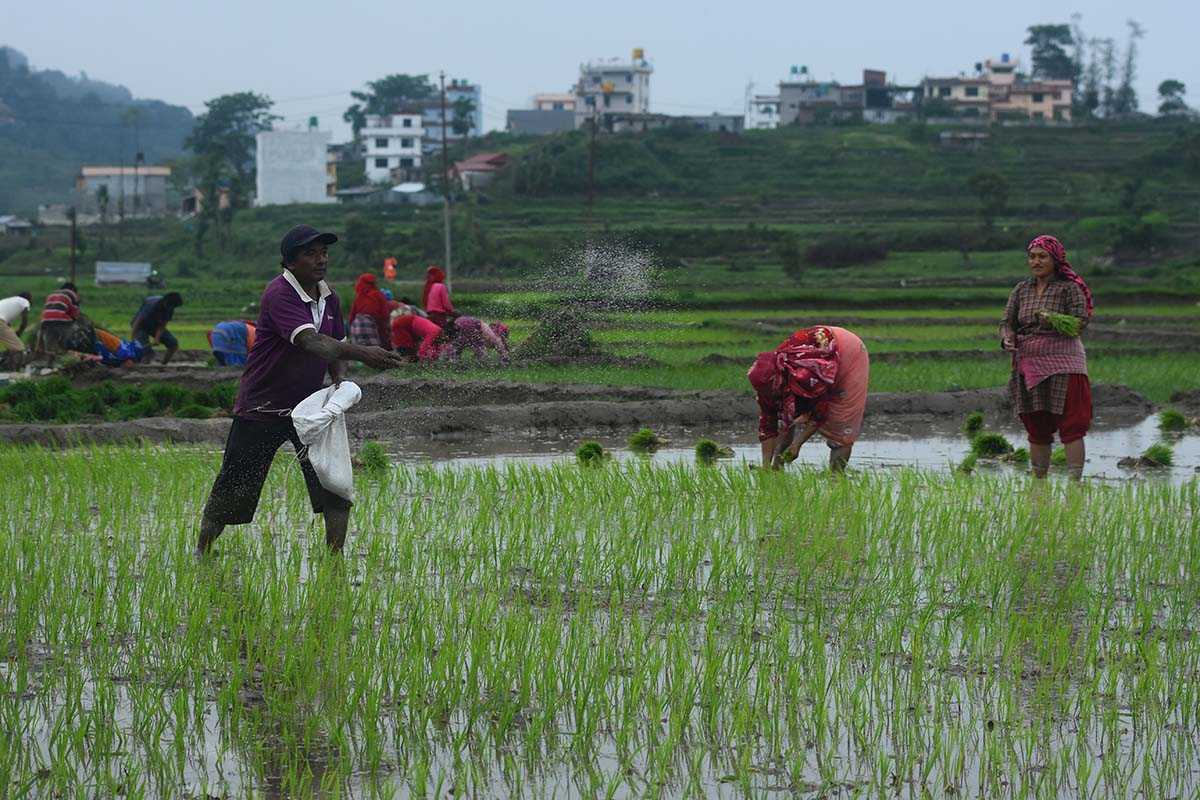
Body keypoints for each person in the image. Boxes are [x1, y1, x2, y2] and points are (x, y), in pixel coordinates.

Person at [196, 224, 407, 557]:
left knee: (333, 485)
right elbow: (314, 343)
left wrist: (338, 385)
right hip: (262, 407)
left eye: (324, 253)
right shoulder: (279, 293)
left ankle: (335, 559)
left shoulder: (330, 297)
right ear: (290, 261)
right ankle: (203, 551)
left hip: (309, 409)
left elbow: (336, 346)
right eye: (311, 253)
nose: (321, 259)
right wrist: (366, 353)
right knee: (234, 487)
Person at [1000, 235, 1093, 481]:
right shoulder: (1021, 289)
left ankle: (1075, 483)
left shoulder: (1069, 288)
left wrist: (1051, 318)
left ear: (1056, 259)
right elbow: (1007, 322)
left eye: (1042, 256)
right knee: (1036, 425)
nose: (1036, 261)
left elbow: (1080, 323)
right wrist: (1007, 337)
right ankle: (1038, 482)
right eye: (1032, 256)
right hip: (1029, 365)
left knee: (1072, 425)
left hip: (1064, 364)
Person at [748, 325, 870, 472]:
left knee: (841, 422)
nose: (768, 395)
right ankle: (774, 468)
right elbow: (768, 424)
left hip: (848, 351)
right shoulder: (767, 383)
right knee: (785, 416)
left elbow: (820, 410)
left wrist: (797, 444)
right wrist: (765, 466)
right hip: (819, 347)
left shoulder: (805, 377)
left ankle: (836, 477)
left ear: (778, 381)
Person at [132, 292, 184, 365]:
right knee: (147, 353)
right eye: (170, 306)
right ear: (165, 301)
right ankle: (143, 370)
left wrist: (157, 338)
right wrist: (133, 337)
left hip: (154, 325)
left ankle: (163, 366)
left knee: (173, 345)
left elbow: (162, 324)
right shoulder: (152, 305)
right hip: (141, 326)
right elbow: (138, 321)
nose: (171, 308)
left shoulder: (170, 308)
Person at [37, 283, 84, 355]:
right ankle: (66, 351)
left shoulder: (52, 294)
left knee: (50, 344)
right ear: (73, 290)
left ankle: (50, 358)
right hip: (61, 320)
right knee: (75, 332)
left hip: (45, 321)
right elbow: (75, 314)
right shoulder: (72, 294)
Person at [347, 273, 391, 348]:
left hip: (356, 325)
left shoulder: (359, 297)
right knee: (375, 353)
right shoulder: (378, 294)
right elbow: (384, 315)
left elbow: (351, 316)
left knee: (360, 353)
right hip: (369, 324)